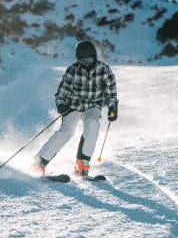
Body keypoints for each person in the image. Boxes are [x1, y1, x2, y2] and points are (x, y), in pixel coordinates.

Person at [34, 40, 118, 176]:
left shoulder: (104, 70)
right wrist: (61, 105)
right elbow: (62, 91)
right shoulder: (73, 70)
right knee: (66, 132)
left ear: (95, 57)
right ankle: (39, 163)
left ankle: (82, 163)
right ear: (79, 60)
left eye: (90, 59)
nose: (87, 63)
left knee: (93, 124)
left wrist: (113, 107)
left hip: (93, 105)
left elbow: (111, 92)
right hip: (73, 105)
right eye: (83, 61)